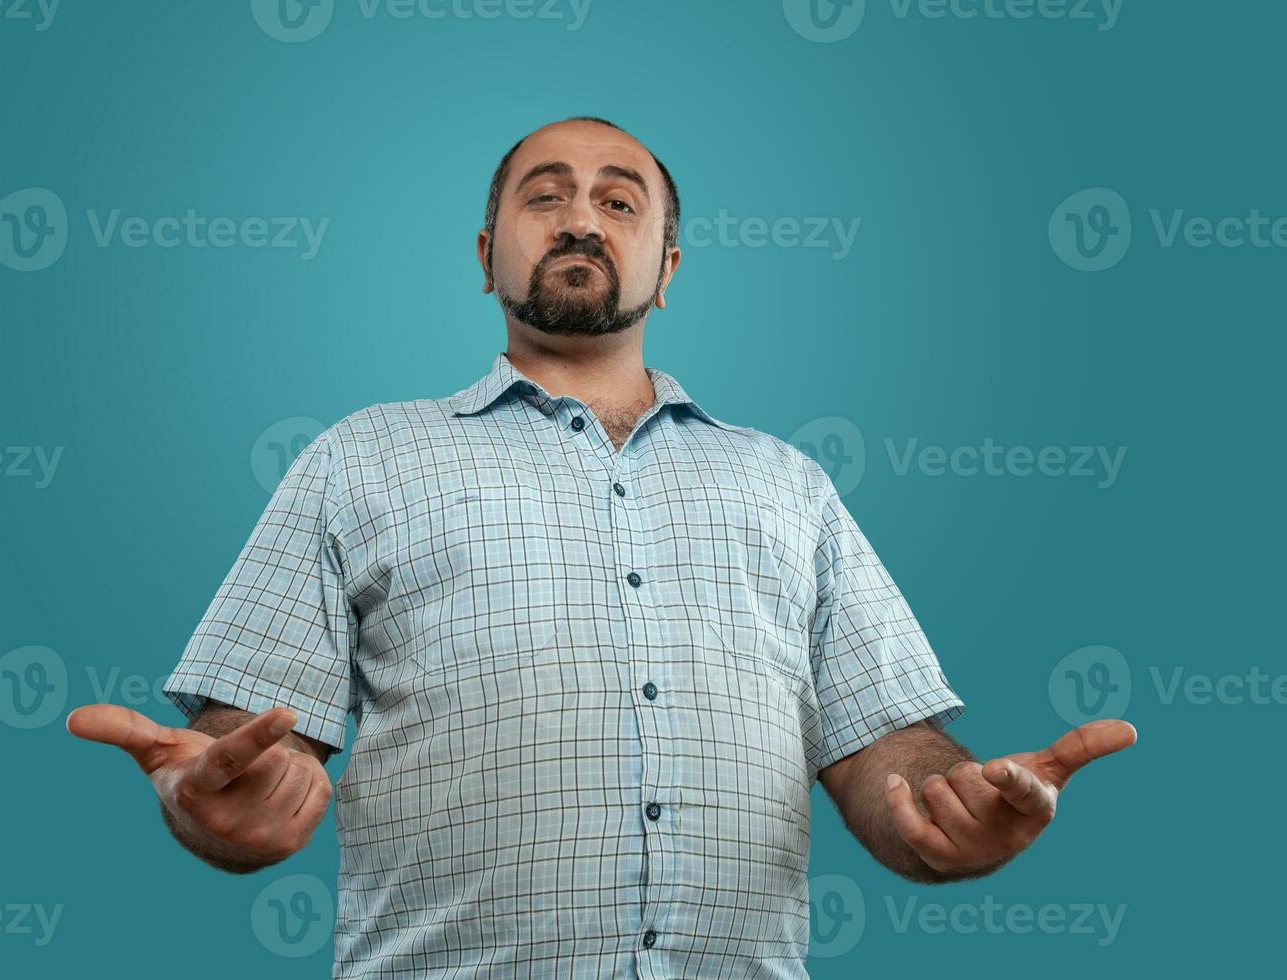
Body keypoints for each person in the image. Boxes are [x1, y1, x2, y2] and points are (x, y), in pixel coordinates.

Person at [66, 116, 1137, 978]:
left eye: (618, 202)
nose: (581, 218)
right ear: (487, 256)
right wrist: (227, 801)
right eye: (545, 195)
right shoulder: (363, 458)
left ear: (665, 268)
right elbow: (252, 744)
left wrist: (945, 806)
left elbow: (882, 749)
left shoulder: (786, 483)